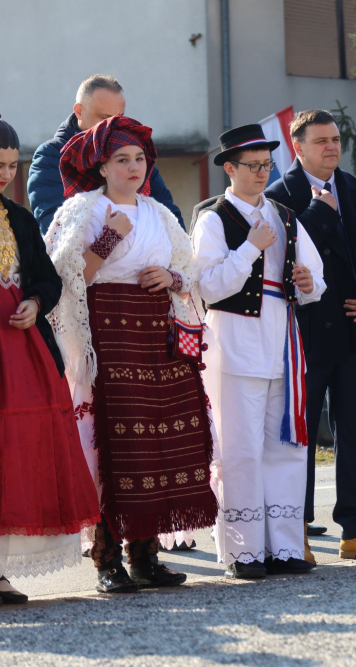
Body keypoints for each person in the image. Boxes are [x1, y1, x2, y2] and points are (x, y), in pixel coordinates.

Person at [45, 115, 216, 593]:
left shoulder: (159, 213)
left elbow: (189, 274)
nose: (134, 167)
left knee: (157, 448)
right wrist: (109, 236)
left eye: (140, 159)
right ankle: (106, 560)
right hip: (107, 340)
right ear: (101, 166)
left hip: (156, 341)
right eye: (122, 159)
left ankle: (145, 555)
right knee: (112, 448)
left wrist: (172, 279)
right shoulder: (81, 210)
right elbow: (64, 280)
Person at [265, 110, 356, 560]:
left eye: (336, 139)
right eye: (321, 140)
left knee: (355, 435)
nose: (331, 147)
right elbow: (278, 263)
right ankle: (297, 532)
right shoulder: (277, 197)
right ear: (297, 145)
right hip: (305, 338)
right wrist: (319, 214)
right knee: (299, 438)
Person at [192, 124, 327, 577]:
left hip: (281, 338)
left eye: (266, 165)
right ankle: (243, 550)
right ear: (229, 168)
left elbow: (315, 275)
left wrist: (309, 284)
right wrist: (250, 247)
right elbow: (207, 287)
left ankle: (285, 546)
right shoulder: (213, 217)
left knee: (284, 445)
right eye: (252, 166)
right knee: (240, 448)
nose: (261, 173)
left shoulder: (285, 215)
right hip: (233, 340)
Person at [0, 114, 101, 606]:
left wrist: (35, 302)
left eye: (12, 165)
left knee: (12, 454)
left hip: (19, 348)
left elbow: (48, 280)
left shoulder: (16, 217)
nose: (6, 175)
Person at [28, 74, 183, 233]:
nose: (112, 126)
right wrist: (112, 239)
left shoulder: (133, 152)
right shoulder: (51, 156)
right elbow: (55, 231)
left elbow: (172, 222)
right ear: (79, 111)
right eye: (104, 118)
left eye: (119, 118)